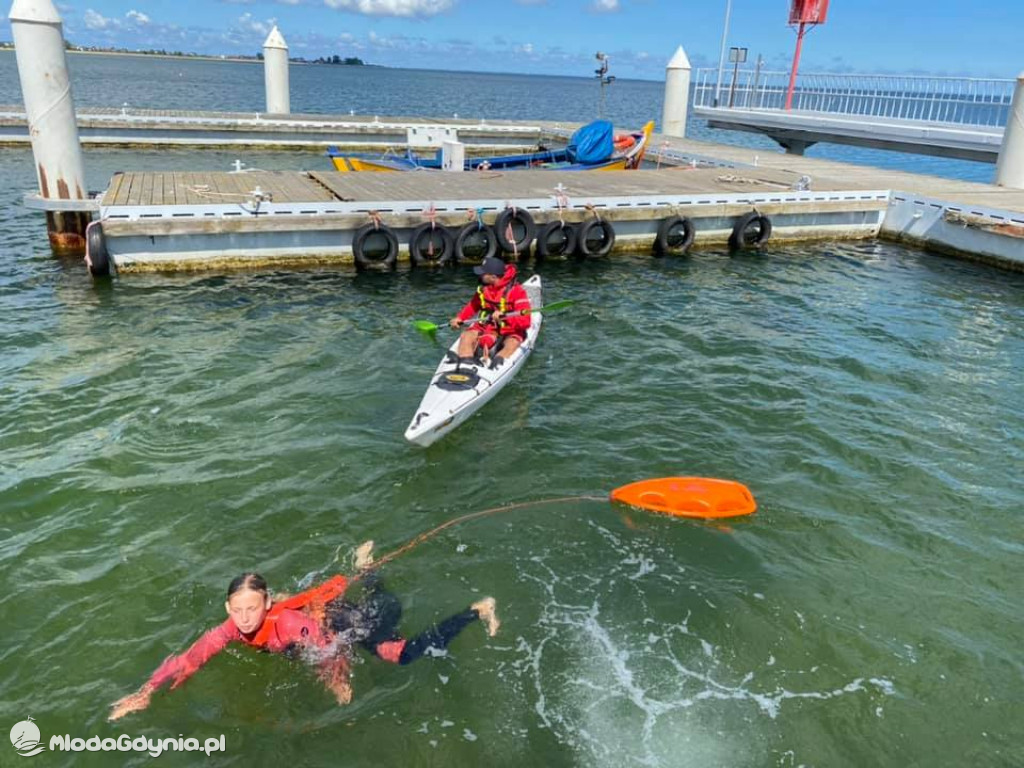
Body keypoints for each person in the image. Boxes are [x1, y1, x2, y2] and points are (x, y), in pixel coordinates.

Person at [108, 542, 499, 720]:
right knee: (377, 606)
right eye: (238, 610)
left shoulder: (289, 623)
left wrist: (336, 680)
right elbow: (188, 659)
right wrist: (144, 693)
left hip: (344, 621)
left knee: (398, 652)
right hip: (321, 621)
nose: (244, 618)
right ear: (228, 608)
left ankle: (476, 610)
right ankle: (367, 566)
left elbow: (331, 648)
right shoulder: (229, 628)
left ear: (266, 603)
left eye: (252, 608)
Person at [449, 256, 531, 369]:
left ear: (493, 277)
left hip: (509, 330)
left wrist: (504, 317)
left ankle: (498, 362)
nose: (480, 275)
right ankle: (465, 364)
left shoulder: (517, 292)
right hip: (485, 326)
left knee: (512, 343)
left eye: (483, 273)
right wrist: (460, 318)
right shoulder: (483, 288)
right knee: (466, 335)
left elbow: (526, 322)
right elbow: (473, 305)